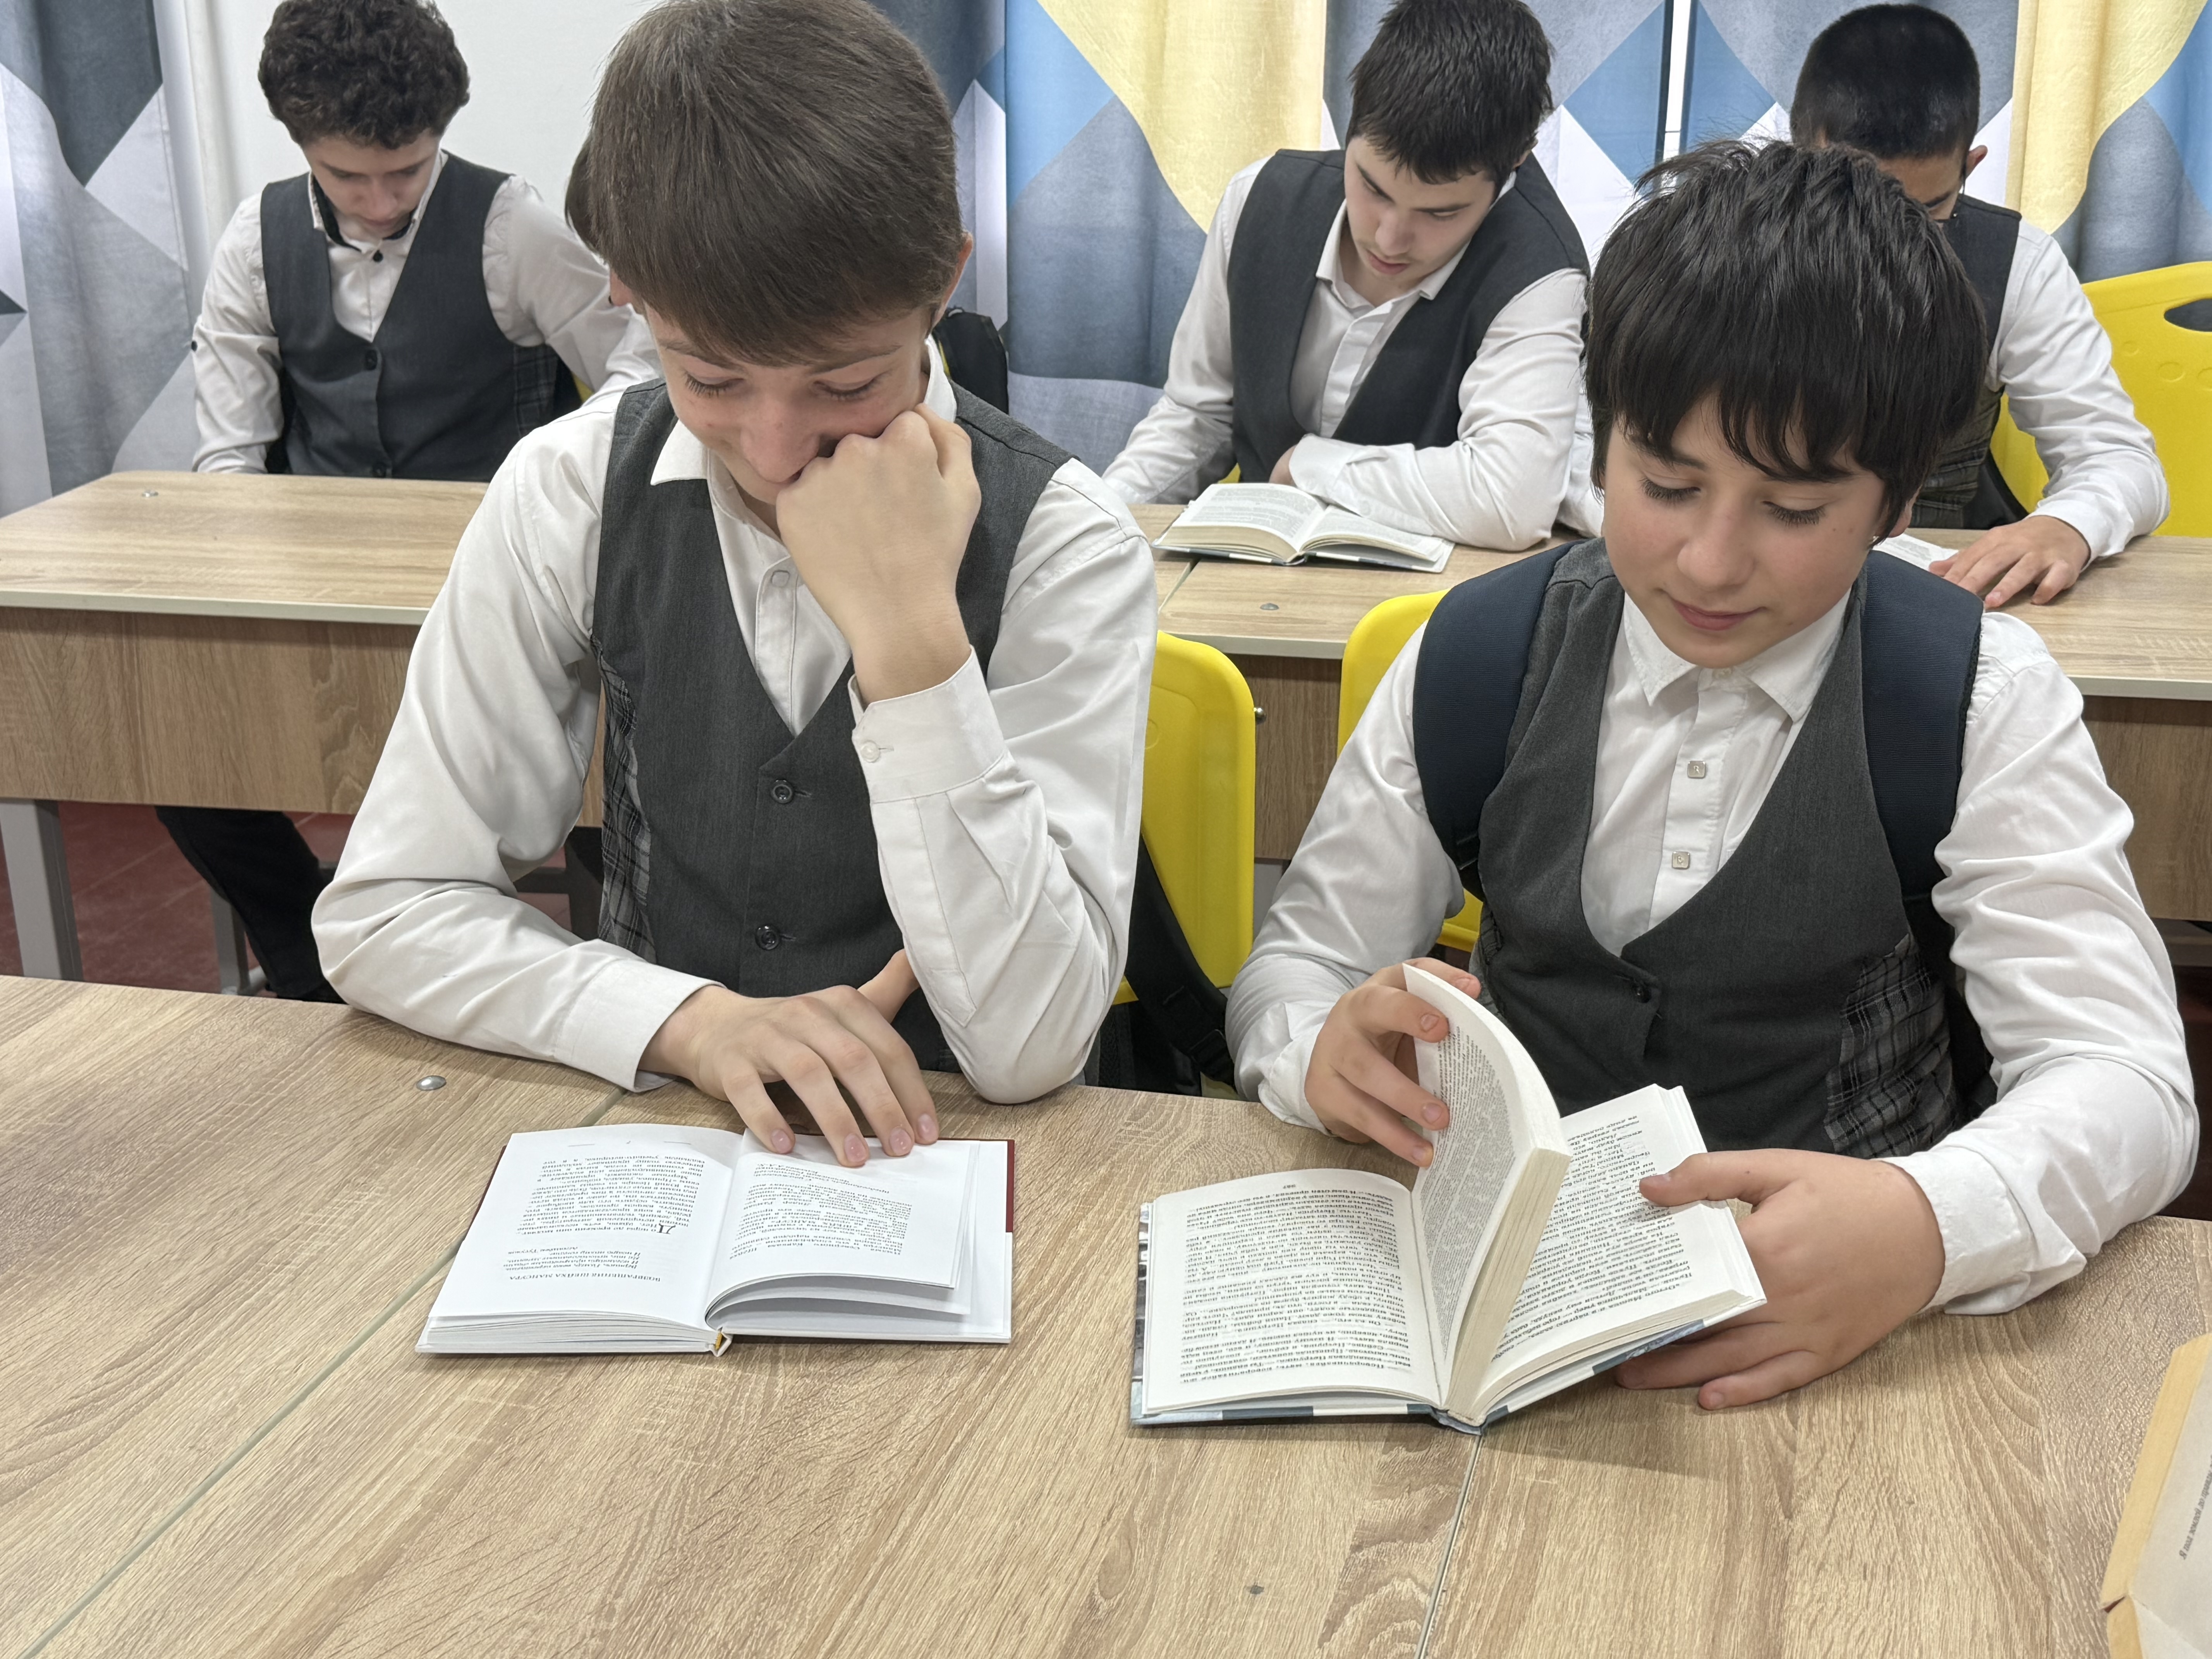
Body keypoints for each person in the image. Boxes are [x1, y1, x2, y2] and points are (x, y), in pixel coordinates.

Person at [1226, 141, 2194, 1408]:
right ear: (1602, 445)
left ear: (1898, 503)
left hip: (1847, 1342)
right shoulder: (1478, 657)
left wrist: (1926, 1220)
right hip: (1514, 1316)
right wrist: (1317, 1050)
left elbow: (2127, 1078)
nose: (1710, 561)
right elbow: (1297, 966)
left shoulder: (1973, 694)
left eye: (1792, 511)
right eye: (1666, 484)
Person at [313, 0, 1157, 1165]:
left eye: (846, 383)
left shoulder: (1066, 540)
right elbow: (390, 910)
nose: (772, 449)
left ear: (944, 284)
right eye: (710, 379)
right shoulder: (572, 487)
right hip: (667, 1133)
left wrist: (912, 642)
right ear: (631, 296)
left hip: (965, 1155)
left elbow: (1032, 1045)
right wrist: (685, 1021)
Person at [170, 0, 659, 1000]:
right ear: (298, 141)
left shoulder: (513, 227)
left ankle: (607, 964)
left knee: (614, 774)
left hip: (504, 590)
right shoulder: (254, 241)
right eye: (348, 176)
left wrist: (556, 478)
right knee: (180, 755)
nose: (382, 200)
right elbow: (227, 459)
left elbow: (641, 367)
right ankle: (304, 946)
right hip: (319, 591)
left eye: (408, 170)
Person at [1103, 0, 1592, 550]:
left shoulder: (1541, 272)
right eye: (1373, 188)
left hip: (1436, 596)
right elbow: (1198, 417)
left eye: (1440, 214)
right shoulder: (1259, 200)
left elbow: (1511, 499)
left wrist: (1311, 467)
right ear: (1352, 121)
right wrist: (1101, 522)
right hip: (1248, 578)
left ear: (1517, 161)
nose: (1389, 239)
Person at [1791, 3, 2168, 606]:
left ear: (1969, 168)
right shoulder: (1705, 246)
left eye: (1926, 212)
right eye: (1849, 199)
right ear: (1795, 157)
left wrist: (2068, 525)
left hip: (1933, 582)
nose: (1886, 237)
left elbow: (2117, 457)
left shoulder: (2015, 264)